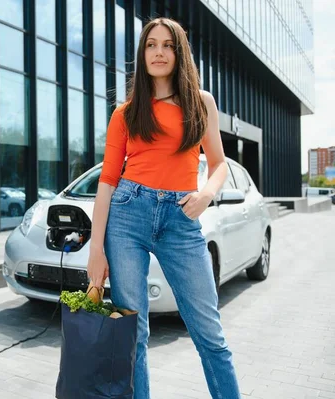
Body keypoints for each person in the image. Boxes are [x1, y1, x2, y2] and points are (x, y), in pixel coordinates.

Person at [86, 17, 241, 399]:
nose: (158, 52)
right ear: (143, 54)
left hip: (181, 218)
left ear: (179, 52)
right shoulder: (126, 112)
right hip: (128, 214)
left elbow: (219, 164)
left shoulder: (201, 103)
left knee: (209, 332)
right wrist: (96, 249)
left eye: (167, 45)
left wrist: (205, 195)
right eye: (151, 45)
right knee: (133, 334)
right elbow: (107, 182)